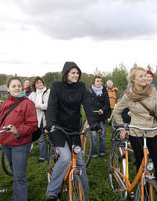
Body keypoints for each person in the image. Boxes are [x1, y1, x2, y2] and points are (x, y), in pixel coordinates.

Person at [44, 62, 100, 201]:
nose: (76, 75)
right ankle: (52, 192)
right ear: (66, 74)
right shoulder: (56, 86)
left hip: (74, 128)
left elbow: (87, 105)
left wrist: (93, 123)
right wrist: (50, 124)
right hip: (57, 127)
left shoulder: (81, 87)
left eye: (77, 73)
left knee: (79, 161)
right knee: (65, 157)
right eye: (73, 73)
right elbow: (51, 106)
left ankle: (84, 191)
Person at [113, 66, 157, 192]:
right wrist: (123, 128)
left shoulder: (152, 90)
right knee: (141, 165)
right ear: (133, 79)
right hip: (137, 133)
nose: (145, 78)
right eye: (141, 76)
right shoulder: (128, 95)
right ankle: (142, 191)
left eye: (145, 75)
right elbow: (116, 112)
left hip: (153, 131)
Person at [0, 76, 38, 201]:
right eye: (14, 86)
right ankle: (16, 196)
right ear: (8, 89)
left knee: (19, 176)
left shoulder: (28, 103)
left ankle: (20, 198)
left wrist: (17, 130)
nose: (17, 88)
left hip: (20, 144)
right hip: (6, 144)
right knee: (15, 172)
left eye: (19, 85)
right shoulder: (5, 104)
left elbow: (33, 125)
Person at [28, 76, 50, 163]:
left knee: (52, 137)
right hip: (37, 119)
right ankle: (42, 156)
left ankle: (53, 154)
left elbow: (50, 104)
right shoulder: (33, 94)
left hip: (47, 117)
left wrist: (40, 106)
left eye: (41, 82)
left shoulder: (48, 91)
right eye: (37, 83)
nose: (39, 84)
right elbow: (28, 103)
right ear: (35, 85)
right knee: (41, 138)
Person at [89, 76, 110, 158]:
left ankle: (102, 151)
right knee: (94, 136)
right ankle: (94, 152)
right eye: (97, 81)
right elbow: (88, 104)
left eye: (101, 81)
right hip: (93, 117)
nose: (99, 82)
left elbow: (107, 103)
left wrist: (103, 110)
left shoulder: (104, 91)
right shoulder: (89, 91)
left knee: (103, 135)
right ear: (94, 82)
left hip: (102, 116)